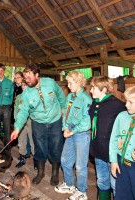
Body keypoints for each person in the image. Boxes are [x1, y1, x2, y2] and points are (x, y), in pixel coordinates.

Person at [11, 64, 66, 186]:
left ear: (37, 75)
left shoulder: (50, 83)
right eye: (25, 78)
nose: (27, 80)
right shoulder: (26, 94)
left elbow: (61, 95)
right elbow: (22, 112)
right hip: (38, 123)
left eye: (29, 77)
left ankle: (55, 172)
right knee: (39, 148)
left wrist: (63, 107)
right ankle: (40, 173)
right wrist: (17, 128)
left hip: (55, 120)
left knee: (56, 147)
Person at [54, 71, 92, 200]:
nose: (68, 85)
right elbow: (65, 113)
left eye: (70, 83)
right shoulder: (70, 96)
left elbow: (86, 123)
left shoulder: (86, 99)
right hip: (69, 131)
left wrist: (72, 131)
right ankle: (69, 184)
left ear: (79, 83)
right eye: (68, 82)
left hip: (81, 134)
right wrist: (65, 128)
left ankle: (82, 191)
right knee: (65, 161)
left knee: (80, 166)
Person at [88, 76, 126, 200]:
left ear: (104, 89)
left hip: (112, 153)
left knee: (115, 184)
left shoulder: (118, 105)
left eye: (94, 88)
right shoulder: (95, 103)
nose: (91, 90)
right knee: (102, 181)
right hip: (98, 150)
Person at [14, 79, 35, 168]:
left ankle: (36, 161)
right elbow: (16, 109)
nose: (24, 87)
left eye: (25, 85)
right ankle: (22, 158)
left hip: (30, 121)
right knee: (21, 140)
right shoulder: (19, 97)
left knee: (32, 140)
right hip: (21, 122)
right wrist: (16, 119)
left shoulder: (33, 96)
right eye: (22, 85)